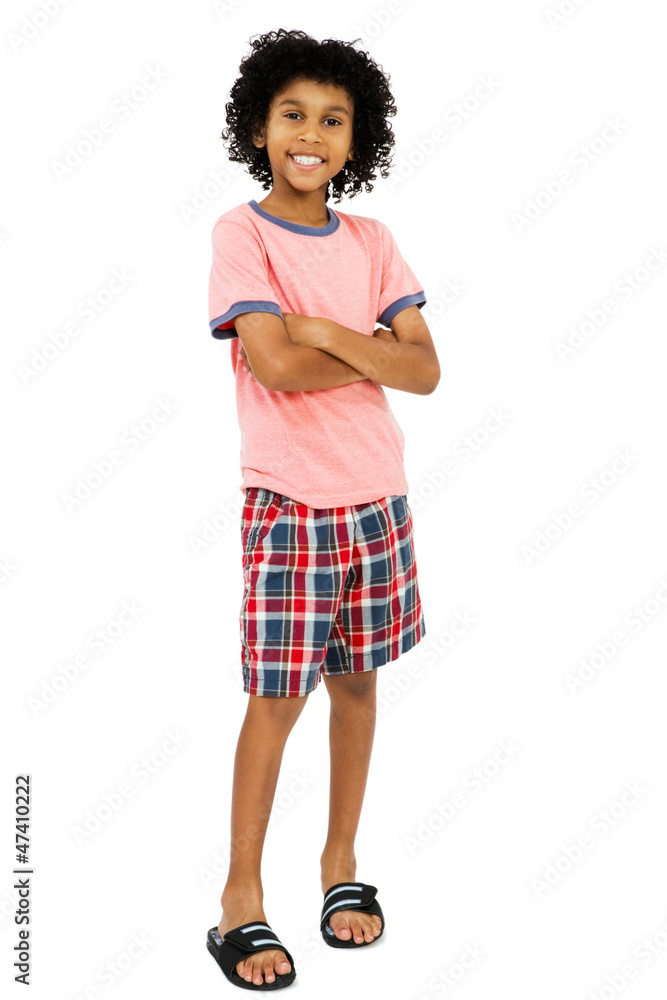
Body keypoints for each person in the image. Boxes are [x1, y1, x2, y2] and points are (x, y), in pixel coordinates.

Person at [205, 27, 440, 991]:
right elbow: (273, 364)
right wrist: (364, 347)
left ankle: (339, 864)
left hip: (376, 500)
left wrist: (325, 331)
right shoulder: (242, 235)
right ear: (259, 128)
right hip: (292, 504)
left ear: (357, 137)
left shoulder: (373, 242)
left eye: (333, 120)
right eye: (292, 115)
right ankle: (239, 898)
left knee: (357, 687)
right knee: (276, 698)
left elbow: (424, 371)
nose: (311, 134)